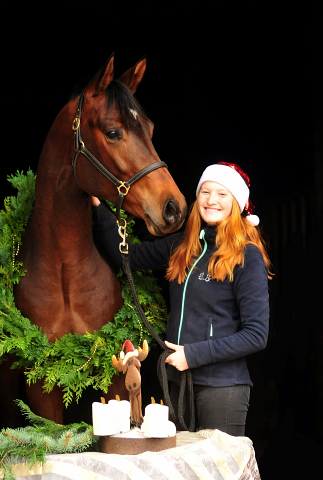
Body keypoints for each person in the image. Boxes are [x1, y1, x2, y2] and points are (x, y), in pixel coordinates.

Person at [92, 162, 271, 437]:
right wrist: (96, 205)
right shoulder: (182, 246)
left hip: (222, 388)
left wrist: (192, 354)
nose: (211, 200)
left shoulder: (246, 256)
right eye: (205, 192)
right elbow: (125, 257)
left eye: (222, 194)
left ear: (236, 202)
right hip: (178, 383)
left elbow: (256, 335)